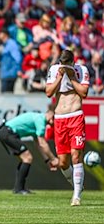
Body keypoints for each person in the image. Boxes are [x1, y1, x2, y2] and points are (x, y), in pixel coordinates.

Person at [45, 49, 89, 206]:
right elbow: (49, 92)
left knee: (76, 155)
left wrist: (72, 77)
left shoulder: (81, 70)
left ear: (73, 62)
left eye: (66, 64)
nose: (63, 66)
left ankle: (76, 196)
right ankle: (77, 186)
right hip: (60, 119)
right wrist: (60, 77)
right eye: (61, 64)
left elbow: (84, 93)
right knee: (63, 162)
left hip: (75, 116)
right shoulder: (54, 70)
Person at [0, 108, 59, 194]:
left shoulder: (39, 120)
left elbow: (38, 144)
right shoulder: (41, 120)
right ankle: (19, 189)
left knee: (25, 159)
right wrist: (53, 159)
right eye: (56, 119)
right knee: (27, 158)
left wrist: (47, 160)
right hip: (8, 133)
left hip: (6, 133)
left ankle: (19, 188)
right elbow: (43, 143)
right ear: (50, 116)